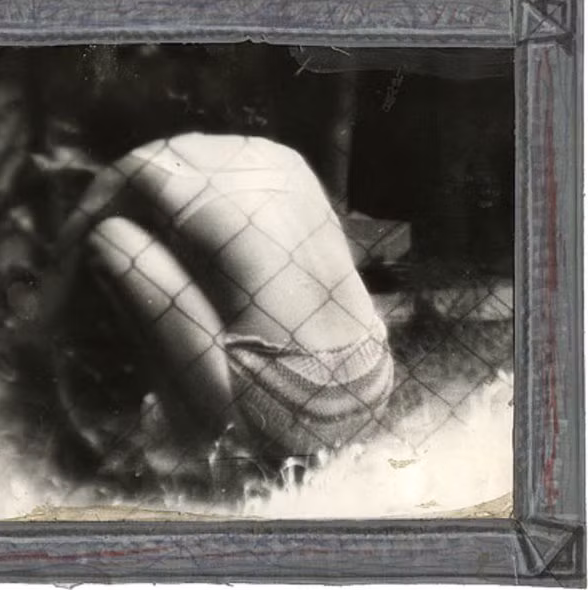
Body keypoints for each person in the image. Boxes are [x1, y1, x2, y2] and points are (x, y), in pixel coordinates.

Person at [42, 132, 395, 462]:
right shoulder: (283, 156)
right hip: (372, 381)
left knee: (109, 235)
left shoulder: (136, 166)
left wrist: (34, 344)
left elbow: (65, 254)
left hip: (279, 394)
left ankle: (224, 458)